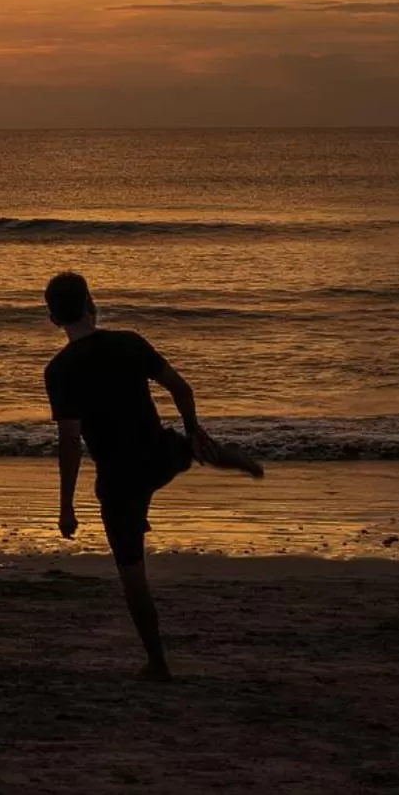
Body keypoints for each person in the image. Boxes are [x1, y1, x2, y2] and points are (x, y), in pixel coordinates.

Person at [44, 271, 263, 680]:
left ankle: (157, 662)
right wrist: (193, 426)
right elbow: (181, 388)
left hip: (118, 479)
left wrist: (67, 508)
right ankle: (223, 456)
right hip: (159, 456)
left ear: (52, 318)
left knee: (132, 576)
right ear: (93, 304)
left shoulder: (60, 370)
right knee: (190, 447)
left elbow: (70, 442)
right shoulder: (128, 342)